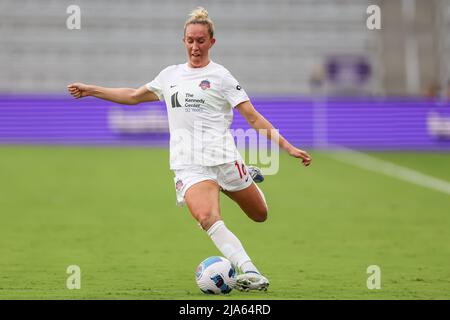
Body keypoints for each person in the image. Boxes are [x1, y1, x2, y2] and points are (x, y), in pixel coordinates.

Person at [67, 7, 311, 292]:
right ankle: (251, 271)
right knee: (207, 218)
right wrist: (91, 90)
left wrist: (288, 147)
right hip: (189, 165)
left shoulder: (221, 77)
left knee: (260, 215)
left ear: (211, 42)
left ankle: (245, 173)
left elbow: (253, 117)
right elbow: (133, 96)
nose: (195, 46)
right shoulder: (170, 76)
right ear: (183, 41)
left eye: (201, 41)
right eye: (190, 40)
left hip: (224, 159)